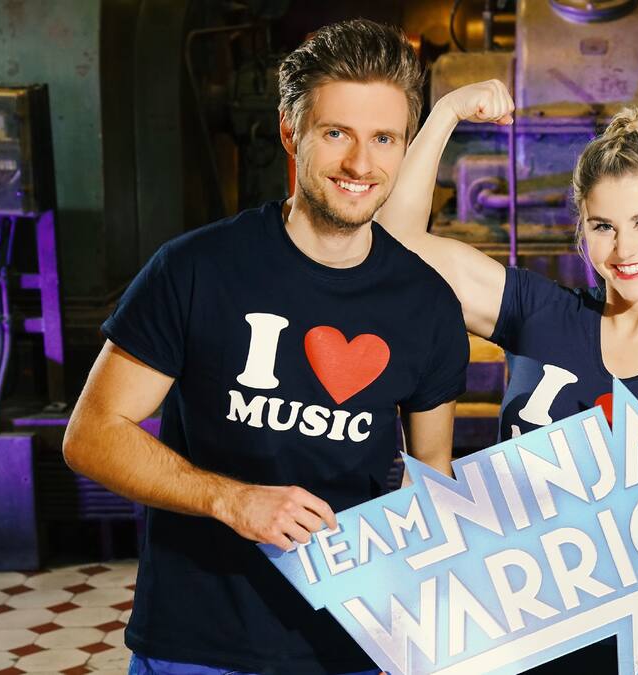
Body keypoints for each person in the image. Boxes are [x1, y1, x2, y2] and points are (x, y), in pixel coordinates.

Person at [62, 19, 470, 675]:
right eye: (335, 133)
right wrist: (232, 500)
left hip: (355, 643)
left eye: (384, 138)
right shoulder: (196, 268)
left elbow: (434, 474)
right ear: (289, 130)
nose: (360, 164)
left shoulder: (427, 305)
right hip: (197, 643)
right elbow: (91, 435)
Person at [376, 83, 638, 673]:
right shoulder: (540, 315)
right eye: (603, 226)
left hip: (623, 652)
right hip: (494, 639)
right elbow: (394, 249)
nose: (624, 248)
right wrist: (446, 113)